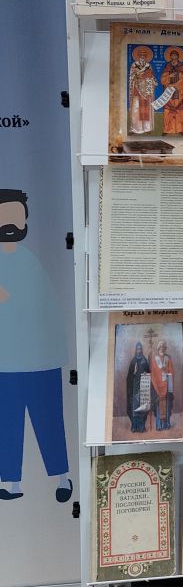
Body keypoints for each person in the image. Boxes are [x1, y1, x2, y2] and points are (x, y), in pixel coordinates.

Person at [0, 190, 71, 502]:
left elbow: (39, 304)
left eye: (15, 217)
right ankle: (11, 482)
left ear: (25, 220)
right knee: (7, 424)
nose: (10, 225)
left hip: (41, 359)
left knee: (49, 421)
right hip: (6, 363)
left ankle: (62, 478)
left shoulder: (29, 260)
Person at [160, 46, 183, 135]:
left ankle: (180, 129)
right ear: (170, 57)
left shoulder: (182, 67)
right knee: (168, 110)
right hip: (169, 92)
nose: (173, 57)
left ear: (177, 57)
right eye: (172, 56)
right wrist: (170, 76)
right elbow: (163, 79)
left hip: (179, 92)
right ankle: (167, 130)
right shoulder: (167, 66)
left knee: (179, 109)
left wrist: (176, 80)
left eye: (175, 56)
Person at [128, 45, 157, 134]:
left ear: (146, 56)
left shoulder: (148, 65)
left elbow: (151, 75)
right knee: (136, 108)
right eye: (141, 55)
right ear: (138, 56)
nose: (142, 57)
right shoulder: (134, 65)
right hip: (137, 89)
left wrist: (152, 79)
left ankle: (146, 128)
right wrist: (139, 75)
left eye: (144, 55)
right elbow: (132, 76)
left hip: (146, 90)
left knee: (146, 108)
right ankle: (136, 128)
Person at [126, 341, 150, 433]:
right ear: (136, 350)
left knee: (142, 408)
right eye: (137, 349)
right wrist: (134, 372)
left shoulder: (144, 360)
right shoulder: (133, 361)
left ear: (141, 350)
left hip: (143, 388)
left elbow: (149, 372)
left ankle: (142, 427)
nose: (139, 351)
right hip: (134, 389)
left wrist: (146, 373)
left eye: (140, 349)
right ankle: (134, 426)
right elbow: (129, 376)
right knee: (135, 408)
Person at [150, 338, 174, 431]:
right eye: (160, 347)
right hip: (158, 386)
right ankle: (159, 425)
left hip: (167, 385)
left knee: (167, 405)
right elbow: (153, 374)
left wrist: (170, 386)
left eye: (163, 347)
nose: (162, 348)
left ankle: (166, 424)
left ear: (165, 348)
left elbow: (171, 372)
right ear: (158, 348)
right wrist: (155, 386)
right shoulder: (154, 360)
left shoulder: (168, 359)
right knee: (158, 406)